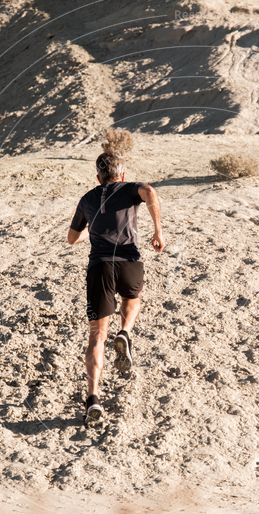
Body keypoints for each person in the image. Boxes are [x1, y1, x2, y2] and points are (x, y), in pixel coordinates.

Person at [67, 152, 165, 423]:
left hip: (99, 265)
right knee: (133, 299)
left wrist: (89, 225)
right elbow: (149, 191)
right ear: (121, 175)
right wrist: (158, 231)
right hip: (128, 259)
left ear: (98, 178)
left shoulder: (87, 199)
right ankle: (125, 332)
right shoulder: (130, 189)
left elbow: (71, 238)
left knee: (97, 335)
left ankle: (93, 399)